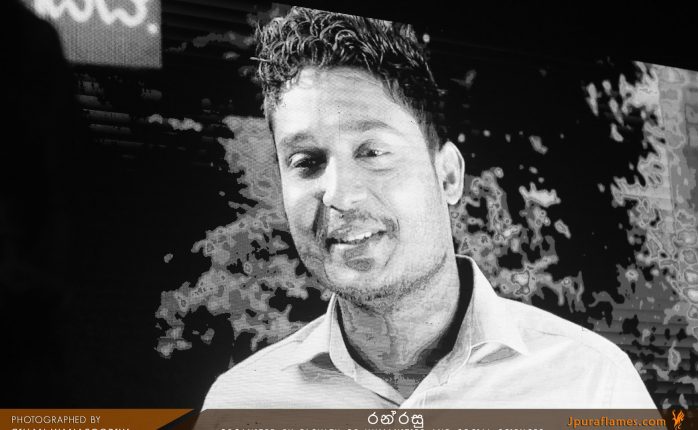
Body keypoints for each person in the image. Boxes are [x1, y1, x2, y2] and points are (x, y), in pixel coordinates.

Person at [202, 7, 656, 408]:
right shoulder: (240, 406)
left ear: (448, 176)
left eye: (372, 152)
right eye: (307, 162)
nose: (339, 194)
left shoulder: (593, 382)